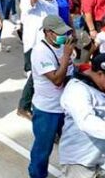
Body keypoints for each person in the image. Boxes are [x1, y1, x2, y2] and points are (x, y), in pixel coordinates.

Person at [28, 15, 75, 178]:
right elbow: (56, 79)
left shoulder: (64, 46)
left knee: (72, 145)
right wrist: (67, 57)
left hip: (65, 107)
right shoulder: (40, 52)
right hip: (47, 110)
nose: (64, 36)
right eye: (59, 33)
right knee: (42, 150)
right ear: (48, 32)